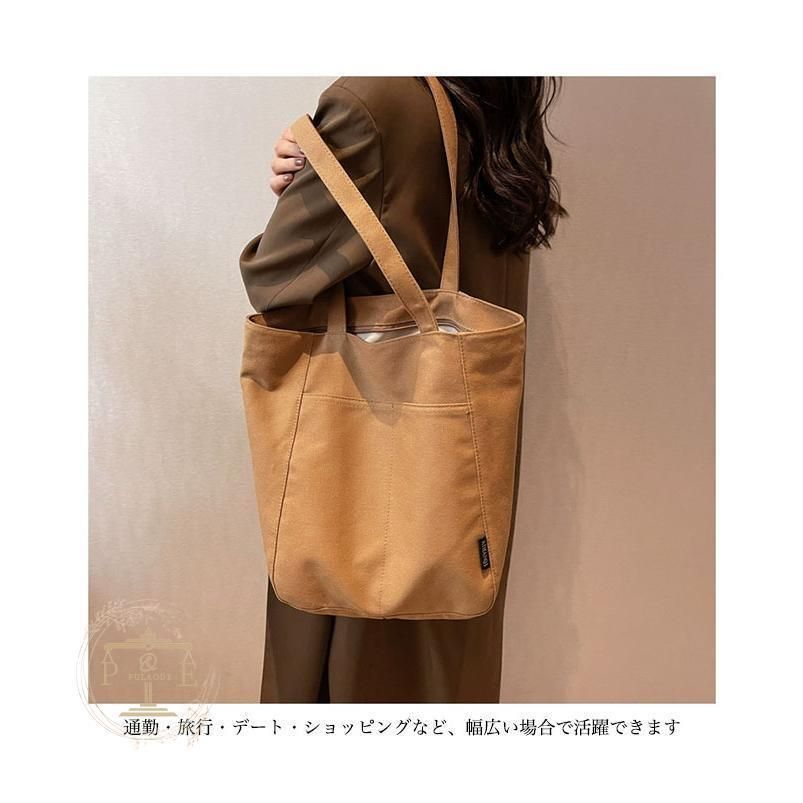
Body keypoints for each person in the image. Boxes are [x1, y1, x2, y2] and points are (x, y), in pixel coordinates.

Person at [239, 76, 566, 703]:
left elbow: (274, 277)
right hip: (459, 505)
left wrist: (300, 193)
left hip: (369, 500)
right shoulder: (497, 104)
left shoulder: (376, 103)